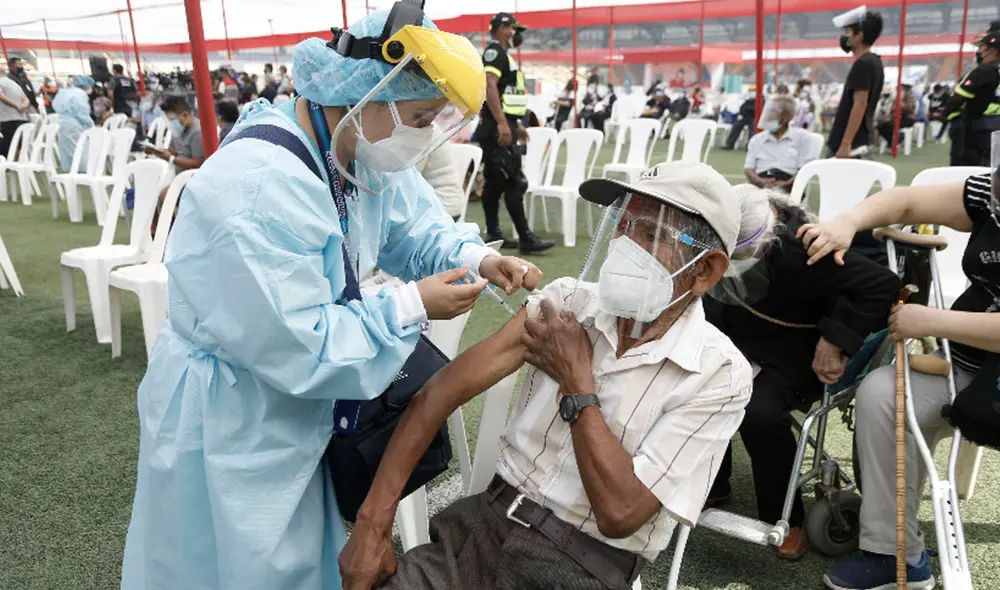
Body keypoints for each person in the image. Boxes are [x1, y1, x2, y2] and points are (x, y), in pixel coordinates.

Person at [120, 8, 543, 590]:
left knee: (291, 557)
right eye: (418, 118)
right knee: (227, 565)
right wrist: (409, 305)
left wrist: (477, 259)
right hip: (232, 418)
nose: (420, 135)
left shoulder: (351, 150)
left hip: (287, 411)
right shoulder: (261, 185)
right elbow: (301, 343)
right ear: (371, 92)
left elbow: (411, 226)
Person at [339, 162, 754, 590]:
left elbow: (620, 512)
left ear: (705, 270)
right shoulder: (568, 303)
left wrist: (577, 382)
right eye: (622, 223)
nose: (626, 245)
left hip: (580, 567)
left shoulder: (717, 374)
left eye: (650, 233)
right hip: (477, 532)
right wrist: (372, 523)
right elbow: (439, 393)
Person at [798, 171, 1000, 590]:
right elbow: (906, 202)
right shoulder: (989, 192)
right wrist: (848, 221)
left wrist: (932, 321)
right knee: (881, 394)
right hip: (968, 372)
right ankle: (895, 556)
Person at [703, 185, 899, 561]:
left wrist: (835, 339)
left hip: (793, 351)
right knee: (701, 384)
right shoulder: (716, 231)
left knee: (757, 411)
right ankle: (715, 481)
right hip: (735, 338)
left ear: (768, 237)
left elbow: (881, 285)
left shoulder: (804, 248)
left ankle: (783, 515)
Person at [479, 12, 555, 253]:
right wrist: (503, 124)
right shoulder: (495, 53)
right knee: (514, 182)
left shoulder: (503, 55)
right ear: (502, 28)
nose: (515, 33)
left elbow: (504, 93)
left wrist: (515, 124)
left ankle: (494, 233)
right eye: (512, 28)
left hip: (501, 125)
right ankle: (525, 238)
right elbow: (489, 85)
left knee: (495, 183)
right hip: (497, 127)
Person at [827, 8, 884, 158]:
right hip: (861, 139)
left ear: (859, 36)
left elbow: (860, 104)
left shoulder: (863, 64)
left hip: (852, 145)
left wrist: (846, 143)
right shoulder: (875, 61)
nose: (844, 36)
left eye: (847, 31)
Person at [940, 24, 1000, 165]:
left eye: (981, 47)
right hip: (995, 128)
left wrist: (944, 114)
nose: (978, 51)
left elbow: (958, 99)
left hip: (976, 130)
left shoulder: (984, 71)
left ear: (993, 51)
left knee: (965, 171)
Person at [744, 96, 815, 192]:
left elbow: (804, 170)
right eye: (768, 111)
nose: (768, 115)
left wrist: (786, 184)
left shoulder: (802, 137)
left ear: (787, 117)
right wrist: (761, 182)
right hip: (760, 183)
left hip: (790, 183)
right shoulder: (757, 139)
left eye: (773, 111)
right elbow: (748, 169)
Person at [141, 95, 205, 175]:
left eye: (172, 119)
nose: (171, 123)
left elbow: (198, 163)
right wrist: (156, 152)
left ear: (185, 115)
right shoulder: (179, 129)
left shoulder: (197, 132)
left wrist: (171, 159)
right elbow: (173, 151)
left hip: (187, 178)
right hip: (174, 172)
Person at [52, 75, 96, 172]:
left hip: (62, 123)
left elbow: (55, 105)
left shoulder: (64, 92)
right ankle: (84, 171)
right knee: (80, 150)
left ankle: (72, 171)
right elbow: (81, 113)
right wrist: (91, 125)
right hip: (74, 125)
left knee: (67, 150)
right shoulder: (80, 94)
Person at [0, 66, 30, 157]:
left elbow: (1, 96)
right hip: (21, 118)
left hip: (7, 118)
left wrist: (16, 105)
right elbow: (26, 99)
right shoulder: (14, 84)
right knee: (19, 143)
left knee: (7, 143)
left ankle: (6, 164)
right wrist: (22, 106)